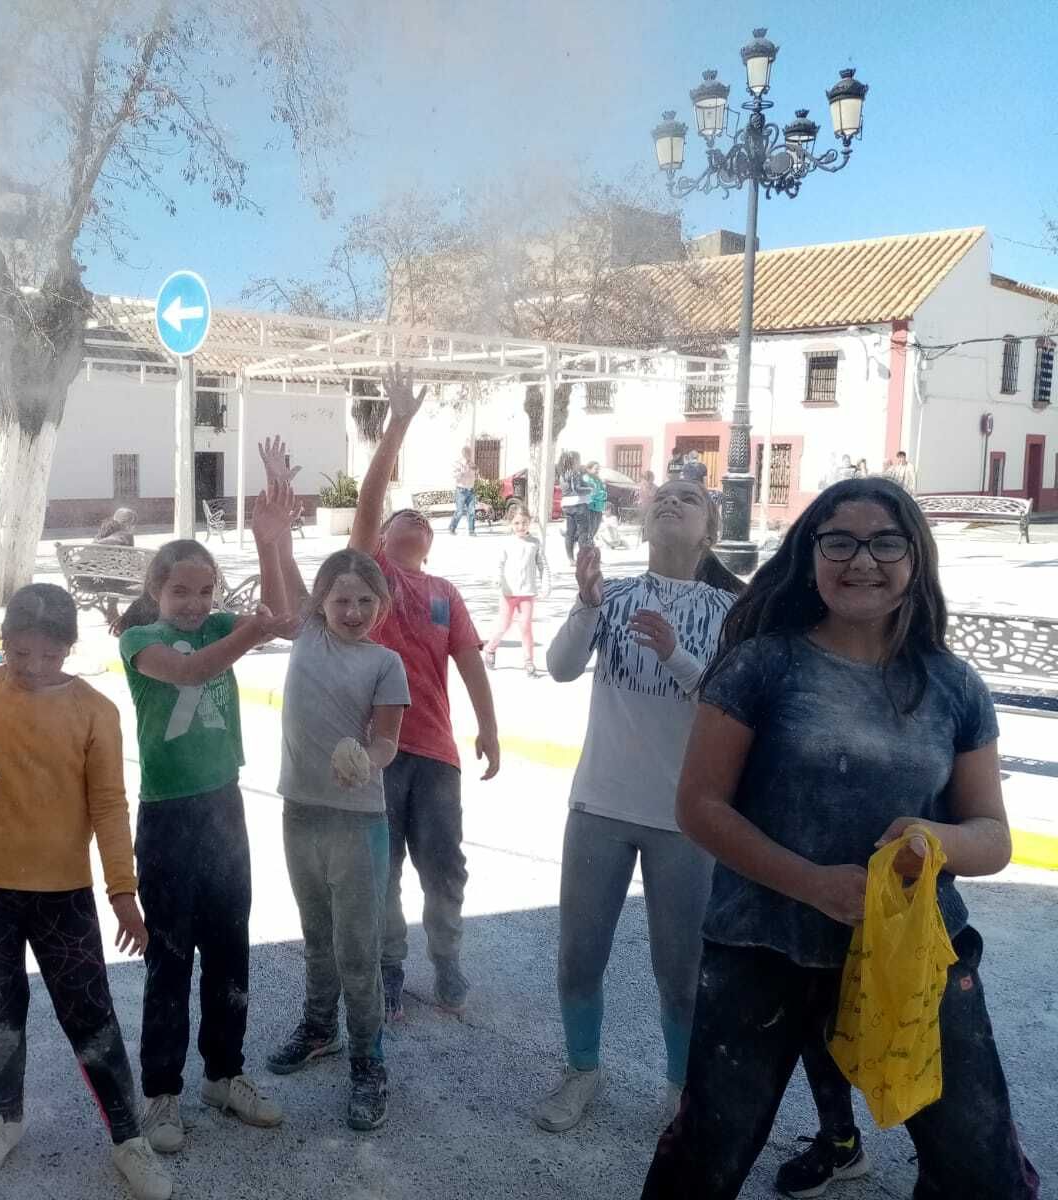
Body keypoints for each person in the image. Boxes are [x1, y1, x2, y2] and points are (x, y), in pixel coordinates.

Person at [642, 477, 1040, 1200]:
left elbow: (994, 837)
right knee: (707, 1153)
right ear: (810, 555)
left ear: (916, 556)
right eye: (840, 541)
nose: (863, 560)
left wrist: (935, 839)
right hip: (762, 946)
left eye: (886, 541)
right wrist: (811, 883)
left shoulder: (953, 686)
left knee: (982, 1171)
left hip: (914, 953)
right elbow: (699, 806)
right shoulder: (762, 665)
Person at [0, 584, 172, 1200]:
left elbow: (108, 805)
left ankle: (128, 1136)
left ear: (69, 650)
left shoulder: (93, 710)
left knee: (91, 1015)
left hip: (61, 894)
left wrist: (123, 892)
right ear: (3, 641)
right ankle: (4, 1118)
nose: (29, 669)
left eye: (46, 657)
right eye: (17, 654)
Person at [532, 480, 743, 1135]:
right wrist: (586, 606)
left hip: (685, 817)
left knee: (681, 971)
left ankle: (682, 1088)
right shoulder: (614, 594)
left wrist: (675, 654)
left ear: (709, 527)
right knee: (579, 955)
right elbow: (561, 667)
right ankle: (581, 1070)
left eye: (689, 497)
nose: (671, 501)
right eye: (662, 496)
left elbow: (724, 701)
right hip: (599, 803)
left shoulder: (729, 609)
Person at [336, 366, 500, 1021]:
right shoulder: (374, 580)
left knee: (444, 865)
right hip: (378, 750)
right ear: (380, 540)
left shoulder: (444, 594)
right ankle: (391, 966)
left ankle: (448, 958)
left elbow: (470, 664)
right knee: (382, 870)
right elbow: (371, 501)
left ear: (428, 546)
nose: (409, 517)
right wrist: (396, 428)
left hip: (434, 750)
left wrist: (488, 726)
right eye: (399, 515)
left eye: (419, 518)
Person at [115, 538, 287, 1154]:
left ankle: (224, 1073)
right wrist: (253, 632)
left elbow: (283, 617)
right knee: (169, 957)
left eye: (205, 590)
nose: (194, 603)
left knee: (228, 949)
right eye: (180, 591)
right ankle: (161, 1090)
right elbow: (190, 671)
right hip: (167, 817)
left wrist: (273, 541)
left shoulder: (218, 625)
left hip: (224, 806)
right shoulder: (139, 642)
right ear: (154, 592)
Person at [252, 474, 410, 1132]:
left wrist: (362, 762)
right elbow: (281, 576)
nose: (352, 611)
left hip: (358, 823)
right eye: (341, 599)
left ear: (379, 603)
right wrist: (275, 537)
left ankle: (369, 1060)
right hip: (300, 812)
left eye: (363, 600)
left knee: (356, 949)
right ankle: (320, 1030)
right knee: (315, 937)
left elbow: (388, 744)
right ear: (323, 603)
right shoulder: (308, 636)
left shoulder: (385, 664)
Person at [483, 507, 551, 675]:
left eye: (524, 523)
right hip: (509, 593)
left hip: (527, 593)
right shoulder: (507, 543)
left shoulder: (534, 543)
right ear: (511, 523)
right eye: (517, 523)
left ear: (530, 522)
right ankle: (490, 649)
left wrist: (546, 584)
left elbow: (543, 565)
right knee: (504, 625)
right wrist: (497, 578)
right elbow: (499, 564)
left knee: (525, 626)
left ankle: (529, 661)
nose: (521, 526)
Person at [559, 450, 590, 560]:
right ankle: (582, 558)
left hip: (567, 505)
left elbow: (565, 490)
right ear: (574, 461)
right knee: (583, 532)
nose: (580, 462)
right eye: (579, 460)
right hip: (579, 504)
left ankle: (571, 559)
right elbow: (577, 489)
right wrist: (591, 489)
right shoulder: (575, 473)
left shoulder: (563, 474)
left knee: (570, 533)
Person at [451, 444, 479, 536]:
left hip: (471, 490)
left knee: (471, 511)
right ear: (463, 454)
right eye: (468, 453)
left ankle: (471, 531)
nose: (469, 455)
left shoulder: (472, 464)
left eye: (470, 453)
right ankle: (452, 527)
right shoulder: (458, 463)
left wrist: (476, 471)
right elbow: (454, 476)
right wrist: (463, 471)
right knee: (459, 512)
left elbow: (475, 475)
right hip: (461, 491)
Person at [583, 461, 609, 547]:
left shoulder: (598, 479)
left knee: (594, 531)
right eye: (596, 469)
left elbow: (603, 492)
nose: (598, 471)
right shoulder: (586, 479)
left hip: (599, 507)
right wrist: (602, 494)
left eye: (598, 469)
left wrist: (602, 493)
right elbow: (592, 493)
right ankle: (586, 552)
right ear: (588, 469)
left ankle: (590, 553)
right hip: (590, 508)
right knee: (589, 531)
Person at [637, 471, 659, 543]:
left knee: (651, 526)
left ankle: (651, 541)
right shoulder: (640, 487)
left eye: (650, 479)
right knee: (644, 526)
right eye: (647, 479)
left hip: (653, 510)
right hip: (643, 510)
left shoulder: (656, 488)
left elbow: (657, 499)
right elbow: (639, 498)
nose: (649, 481)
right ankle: (644, 541)